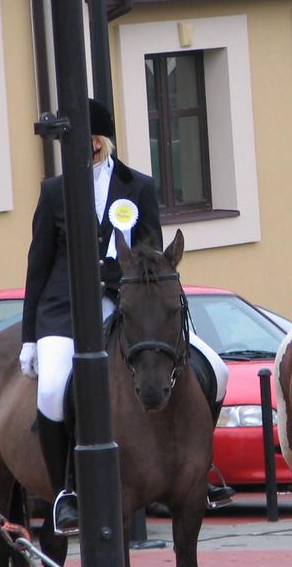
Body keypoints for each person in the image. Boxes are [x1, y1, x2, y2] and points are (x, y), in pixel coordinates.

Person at [19, 98, 233, 535]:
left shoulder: (139, 187)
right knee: (53, 389)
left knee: (218, 369)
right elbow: (37, 266)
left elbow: (151, 251)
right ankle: (66, 492)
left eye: (85, 140)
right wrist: (28, 336)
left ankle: (201, 469)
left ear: (100, 141)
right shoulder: (55, 191)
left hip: (126, 302)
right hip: (64, 309)